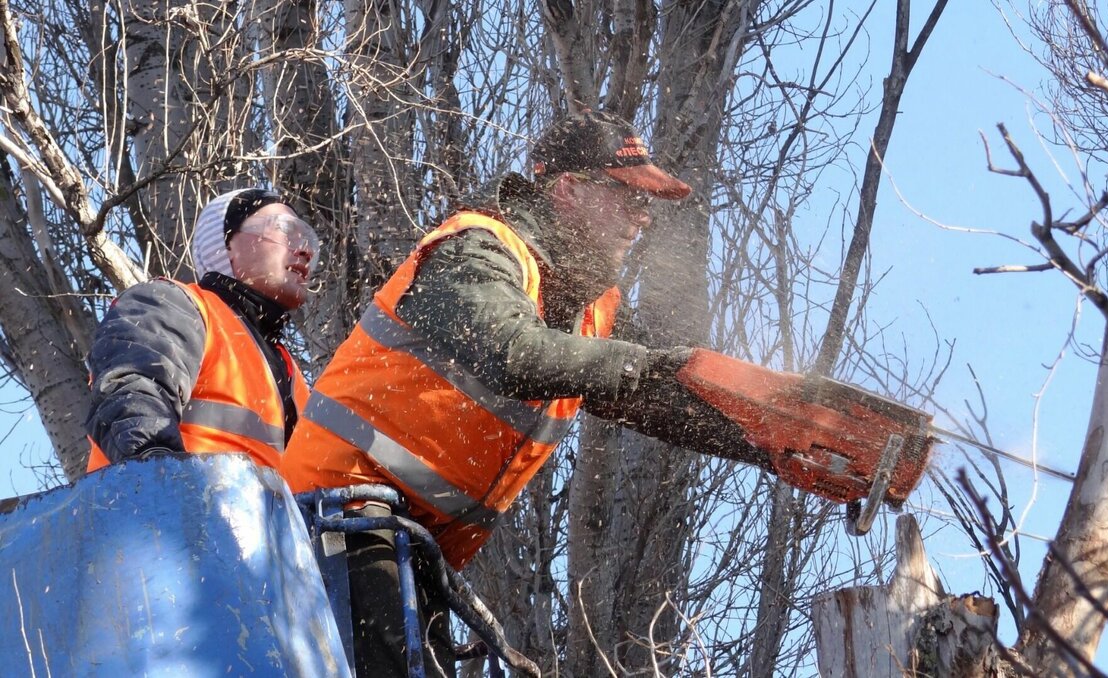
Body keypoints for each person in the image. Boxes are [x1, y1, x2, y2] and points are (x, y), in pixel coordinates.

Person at [281, 111, 751, 677]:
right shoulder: (474, 249)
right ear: (569, 189)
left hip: (406, 544)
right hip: (336, 518)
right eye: (627, 196)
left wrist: (776, 441)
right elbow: (515, 351)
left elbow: (662, 394)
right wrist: (641, 362)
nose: (642, 217)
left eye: (646, 203)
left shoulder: (587, 310)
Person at [86, 188, 319, 471]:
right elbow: (131, 394)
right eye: (284, 230)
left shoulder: (291, 375)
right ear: (226, 245)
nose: (304, 250)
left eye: (307, 239)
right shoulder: (172, 304)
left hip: (253, 514)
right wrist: (161, 476)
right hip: (166, 509)